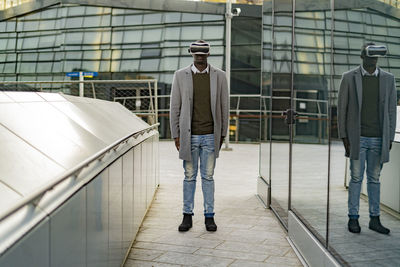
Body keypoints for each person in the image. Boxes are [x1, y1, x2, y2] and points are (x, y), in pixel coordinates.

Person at [169, 40, 229, 232]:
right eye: (197, 54)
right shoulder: (180, 76)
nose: (200, 57)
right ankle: (187, 216)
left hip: (211, 135)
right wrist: (176, 135)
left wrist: (222, 135)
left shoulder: (220, 76)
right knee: (189, 176)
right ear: (192, 54)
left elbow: (224, 108)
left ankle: (209, 216)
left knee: (208, 177)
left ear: (208, 55)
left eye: (203, 53)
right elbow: (175, 107)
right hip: (189, 136)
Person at [338, 42, 397, 234]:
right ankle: (353, 218)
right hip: (358, 138)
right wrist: (344, 137)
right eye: (369, 56)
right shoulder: (349, 78)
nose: (373, 60)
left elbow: (391, 111)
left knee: (375, 179)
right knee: (356, 178)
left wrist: (388, 138)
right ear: (362, 56)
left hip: (379, 138)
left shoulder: (388, 79)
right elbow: (342, 110)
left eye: (375, 56)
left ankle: (375, 219)